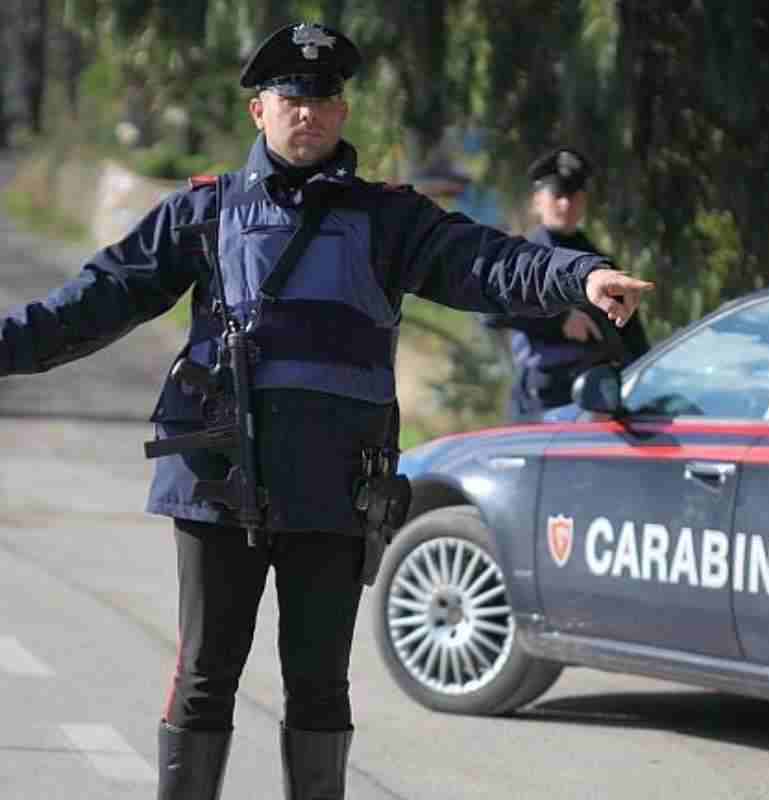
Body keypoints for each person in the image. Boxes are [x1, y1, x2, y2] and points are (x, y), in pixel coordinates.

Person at [0, 22, 651, 800]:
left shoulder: (388, 220)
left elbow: (489, 261)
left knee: (318, 686)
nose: (306, 112)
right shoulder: (203, 214)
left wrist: (576, 276)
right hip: (221, 483)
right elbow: (97, 300)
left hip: (335, 489)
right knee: (206, 675)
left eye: (323, 98)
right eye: (289, 97)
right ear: (258, 112)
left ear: (342, 114)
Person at [483, 146, 650, 419]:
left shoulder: (599, 261)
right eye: (557, 195)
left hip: (599, 397)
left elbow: (631, 332)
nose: (566, 204)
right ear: (538, 201)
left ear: (584, 201)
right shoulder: (522, 254)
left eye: (573, 196)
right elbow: (490, 310)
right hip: (543, 397)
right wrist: (559, 321)